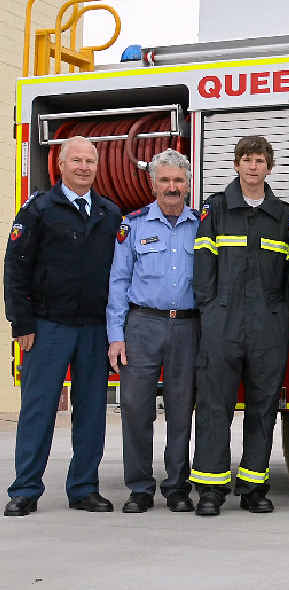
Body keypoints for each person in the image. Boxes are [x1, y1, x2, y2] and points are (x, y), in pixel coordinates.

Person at [3, 136, 121, 516]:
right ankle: (25, 490)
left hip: (93, 329)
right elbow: (15, 269)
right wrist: (21, 323)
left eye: (90, 161)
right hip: (47, 326)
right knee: (38, 409)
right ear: (61, 165)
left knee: (91, 412)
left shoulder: (109, 214)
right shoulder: (38, 210)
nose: (84, 167)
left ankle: (84, 488)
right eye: (77, 160)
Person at [188, 136, 289, 516]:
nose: (253, 166)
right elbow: (203, 268)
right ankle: (211, 489)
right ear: (236, 165)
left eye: (260, 160)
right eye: (246, 160)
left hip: (268, 326)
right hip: (223, 323)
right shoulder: (215, 209)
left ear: (270, 167)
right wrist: (213, 312)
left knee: (263, 407)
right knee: (215, 406)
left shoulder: (283, 214)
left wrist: (280, 316)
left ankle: (253, 487)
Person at [106, 149, 200, 514]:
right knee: (134, 407)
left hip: (188, 326)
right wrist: (116, 335)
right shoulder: (134, 225)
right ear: (153, 184)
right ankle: (140, 488)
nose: (172, 187)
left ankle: (177, 486)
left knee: (181, 409)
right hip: (142, 325)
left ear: (188, 185)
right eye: (165, 180)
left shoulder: (202, 225)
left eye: (178, 180)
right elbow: (118, 282)